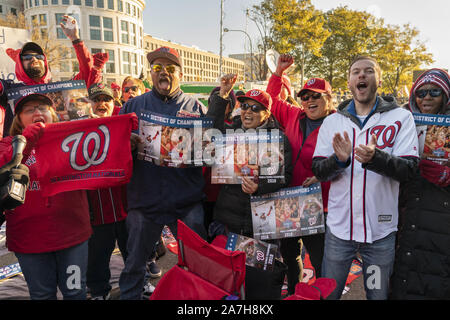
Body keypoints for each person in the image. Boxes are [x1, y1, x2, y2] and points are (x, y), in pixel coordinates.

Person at [312, 56, 419, 300]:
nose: (361, 75)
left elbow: (409, 170)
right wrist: (338, 161)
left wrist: (376, 158)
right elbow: (318, 170)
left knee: (377, 295)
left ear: (378, 80)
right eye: (356, 72)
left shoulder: (400, 118)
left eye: (368, 71)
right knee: (329, 295)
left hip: (379, 236)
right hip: (340, 231)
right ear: (349, 82)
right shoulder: (332, 122)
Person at [118, 46, 207, 300]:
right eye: (157, 68)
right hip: (144, 201)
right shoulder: (133, 106)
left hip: (187, 202)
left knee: (198, 264)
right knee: (134, 264)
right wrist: (127, 142)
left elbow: (213, 153)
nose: (163, 73)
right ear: (150, 74)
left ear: (181, 73)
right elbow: (113, 146)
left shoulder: (197, 108)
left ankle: (197, 300)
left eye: (169, 68)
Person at [0, 93, 92, 299]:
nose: (37, 112)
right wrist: (26, 141)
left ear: (53, 113)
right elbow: (3, 168)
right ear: (19, 119)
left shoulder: (73, 141)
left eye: (42, 108)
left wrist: (121, 136)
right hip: (30, 241)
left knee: (75, 291)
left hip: (72, 236)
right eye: (29, 110)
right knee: (42, 295)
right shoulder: (7, 144)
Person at [265, 54, 335, 295]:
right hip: (287, 198)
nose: (309, 100)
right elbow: (270, 101)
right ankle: (296, 292)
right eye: (305, 96)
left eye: (316, 95)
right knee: (290, 254)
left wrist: (325, 174)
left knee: (319, 258)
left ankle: (323, 294)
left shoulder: (340, 123)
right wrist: (278, 73)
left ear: (329, 98)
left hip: (319, 203)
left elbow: (349, 160)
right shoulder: (294, 114)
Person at [207, 74, 292, 239]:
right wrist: (223, 94)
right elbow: (210, 128)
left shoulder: (278, 138)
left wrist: (259, 187)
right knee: (226, 263)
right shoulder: (230, 132)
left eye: (255, 108)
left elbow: (285, 176)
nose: (247, 111)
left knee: (253, 265)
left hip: (261, 221)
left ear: (267, 114)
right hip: (227, 217)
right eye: (245, 106)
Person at [390, 69, 450, 300]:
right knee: (403, 275)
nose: (426, 97)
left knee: (433, 277)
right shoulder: (401, 121)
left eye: (434, 91)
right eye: (421, 92)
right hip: (407, 210)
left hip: (439, 219)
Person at [0, 15, 106, 137]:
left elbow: (87, 71)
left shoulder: (62, 88)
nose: (34, 59)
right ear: (19, 63)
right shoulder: (10, 89)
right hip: (19, 153)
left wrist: (75, 39)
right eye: (27, 57)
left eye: (39, 57)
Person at [85, 83, 129, 300]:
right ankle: (99, 292)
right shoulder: (80, 131)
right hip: (97, 209)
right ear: (89, 104)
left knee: (133, 252)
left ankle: (138, 284)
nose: (102, 104)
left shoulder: (126, 126)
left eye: (107, 99)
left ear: (114, 103)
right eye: (97, 100)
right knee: (97, 256)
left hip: (125, 206)